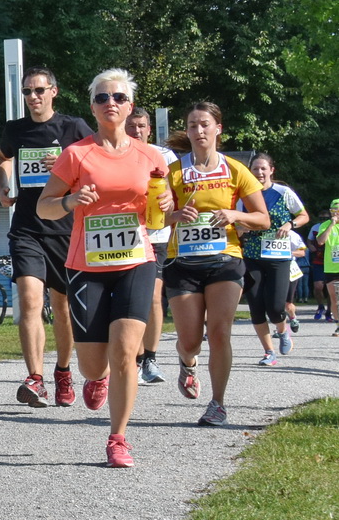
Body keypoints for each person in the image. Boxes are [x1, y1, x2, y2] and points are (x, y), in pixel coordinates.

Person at [37, 70, 171, 467]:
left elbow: (163, 207)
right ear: (93, 107)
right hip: (86, 266)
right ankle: (98, 378)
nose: (110, 103)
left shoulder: (150, 156)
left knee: (126, 351)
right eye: (101, 98)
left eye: (118, 97)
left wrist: (167, 206)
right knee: (93, 363)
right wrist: (70, 200)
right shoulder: (76, 154)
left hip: (136, 261)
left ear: (130, 107)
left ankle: (118, 439)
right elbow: (44, 207)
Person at [163, 102, 270, 426]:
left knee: (220, 331)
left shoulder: (235, 170)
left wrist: (235, 214)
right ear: (187, 131)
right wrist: (175, 215)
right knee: (190, 341)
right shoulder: (173, 172)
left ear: (218, 129)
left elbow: (263, 219)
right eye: (192, 125)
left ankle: (217, 404)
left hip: (226, 259)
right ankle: (187, 362)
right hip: (183, 261)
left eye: (205, 124)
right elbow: (152, 217)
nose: (199, 131)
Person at [0, 67, 92, 407]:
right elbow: (2, 158)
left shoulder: (74, 128)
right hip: (27, 228)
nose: (33, 97)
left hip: (65, 229)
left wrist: (67, 164)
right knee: (30, 299)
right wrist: (2, 185)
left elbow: (98, 165)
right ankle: (35, 379)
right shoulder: (16, 129)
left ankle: (62, 371)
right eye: (27, 91)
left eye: (39, 90)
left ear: (54, 91)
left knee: (63, 308)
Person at [123, 109, 178, 383]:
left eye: (141, 126)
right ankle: (133, 358)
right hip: (126, 234)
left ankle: (150, 359)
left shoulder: (164, 155)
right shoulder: (115, 152)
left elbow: (178, 192)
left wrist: (170, 201)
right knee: (130, 298)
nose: (136, 131)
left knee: (154, 296)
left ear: (149, 129)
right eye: (131, 126)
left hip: (156, 235)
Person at [240, 151, 308, 365]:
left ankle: (282, 330)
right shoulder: (243, 194)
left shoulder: (283, 192)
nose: (259, 172)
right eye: (255, 169)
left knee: (276, 307)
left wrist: (290, 224)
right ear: (250, 172)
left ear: (271, 170)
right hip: (252, 256)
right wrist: (241, 228)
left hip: (279, 257)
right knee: (256, 305)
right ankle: (269, 352)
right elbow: (236, 222)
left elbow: (303, 216)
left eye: (263, 168)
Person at [314, 200, 339, 327]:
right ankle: (338, 325)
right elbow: (320, 241)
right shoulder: (325, 225)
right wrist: (331, 225)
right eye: (334, 211)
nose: (336, 213)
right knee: (334, 299)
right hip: (332, 267)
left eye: (338, 211)